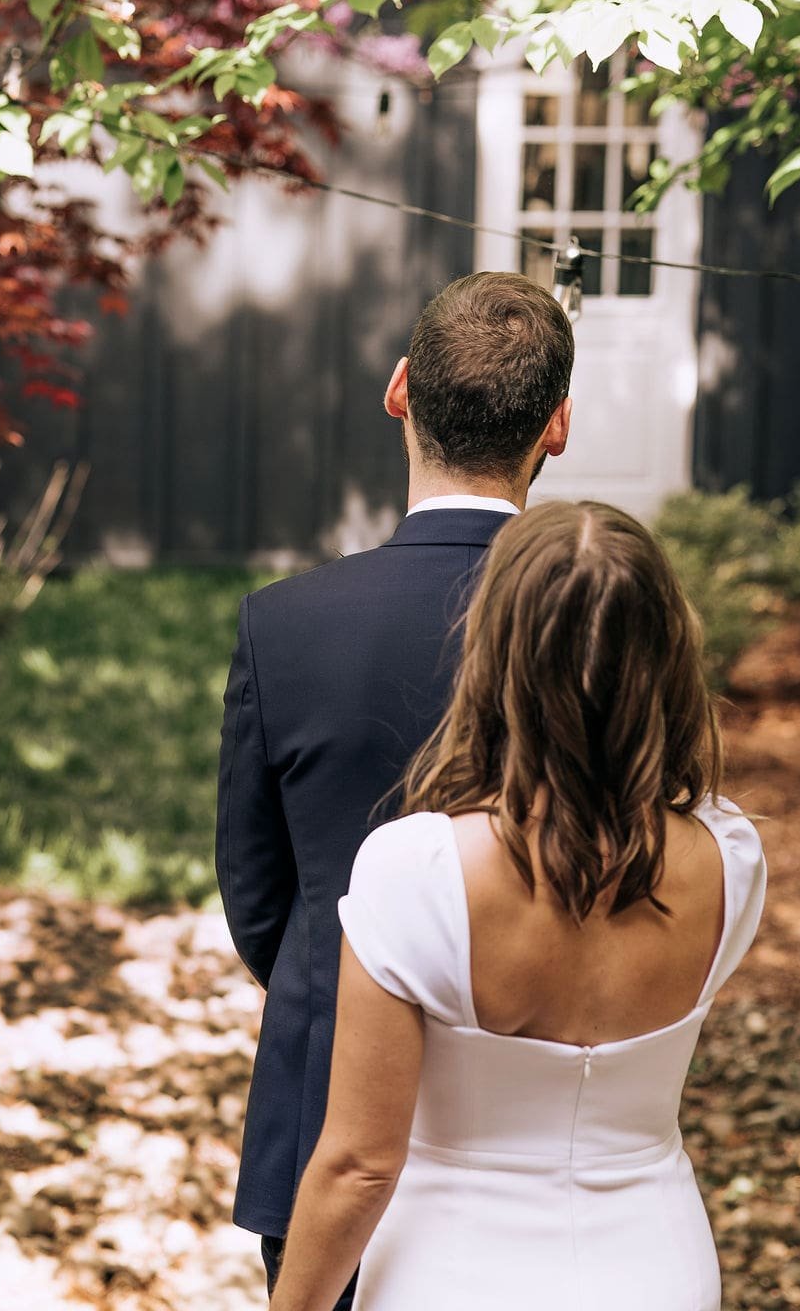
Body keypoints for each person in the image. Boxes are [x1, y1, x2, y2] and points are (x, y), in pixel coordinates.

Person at [267, 500, 767, 1311]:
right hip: (657, 1270)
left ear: (496, 652)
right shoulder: (730, 855)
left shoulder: (418, 869)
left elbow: (359, 1165)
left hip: (452, 1274)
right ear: (667, 654)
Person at [216, 272, 575, 1305]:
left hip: (328, 1091)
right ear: (556, 427)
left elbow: (255, 892)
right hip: (534, 1101)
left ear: (399, 390)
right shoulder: (599, 632)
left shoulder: (284, 623)